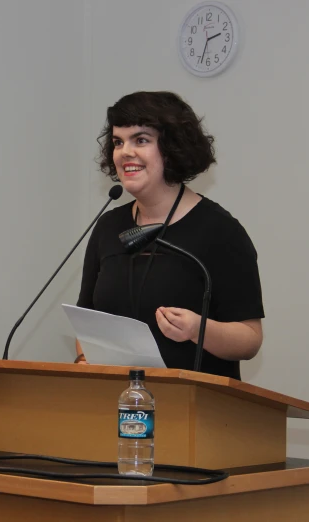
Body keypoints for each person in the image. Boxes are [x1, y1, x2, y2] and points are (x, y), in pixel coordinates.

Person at [74, 91, 264, 380]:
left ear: (173, 147)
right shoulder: (108, 227)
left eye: (141, 140)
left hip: (195, 411)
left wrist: (198, 330)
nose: (125, 152)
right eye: (118, 142)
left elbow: (250, 339)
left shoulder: (220, 231)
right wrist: (83, 358)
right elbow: (86, 322)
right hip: (115, 407)